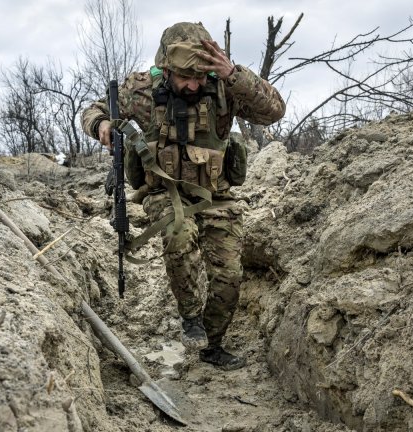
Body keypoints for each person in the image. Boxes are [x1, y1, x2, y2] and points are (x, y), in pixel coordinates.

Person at [82, 22, 285, 371]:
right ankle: (190, 316)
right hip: (164, 191)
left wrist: (234, 75)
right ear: (166, 69)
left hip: (216, 196)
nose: (194, 85)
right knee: (179, 232)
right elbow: (93, 110)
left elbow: (274, 111)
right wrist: (100, 123)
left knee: (229, 274)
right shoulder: (141, 91)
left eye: (200, 77)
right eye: (185, 77)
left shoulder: (224, 86)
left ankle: (213, 343)